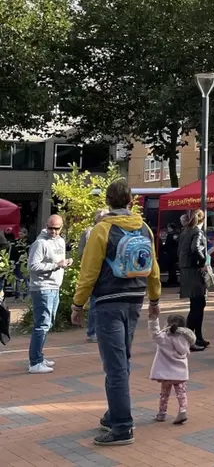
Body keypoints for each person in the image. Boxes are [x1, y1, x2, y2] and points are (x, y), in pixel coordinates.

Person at [71, 180, 161, 446]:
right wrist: (155, 299)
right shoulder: (144, 228)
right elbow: (153, 267)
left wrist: (78, 304)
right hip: (135, 299)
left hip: (109, 301)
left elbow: (88, 272)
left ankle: (122, 426)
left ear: (107, 202)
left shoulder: (102, 229)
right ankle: (114, 414)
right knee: (122, 360)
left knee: (115, 365)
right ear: (131, 202)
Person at [27, 214, 71, 374]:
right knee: (42, 325)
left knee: (48, 323)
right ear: (47, 225)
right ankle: (35, 362)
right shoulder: (40, 243)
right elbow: (33, 266)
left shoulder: (60, 241)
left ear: (61, 227)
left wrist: (65, 263)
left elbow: (59, 261)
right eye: (51, 228)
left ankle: (38, 356)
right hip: (42, 288)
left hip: (54, 286)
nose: (53, 232)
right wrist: (55, 265)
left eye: (57, 228)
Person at [148, 313, 195, 425]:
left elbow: (154, 333)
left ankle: (162, 413)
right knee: (181, 393)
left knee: (164, 393)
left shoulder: (164, 337)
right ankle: (182, 411)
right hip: (180, 373)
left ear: (168, 324)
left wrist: (153, 319)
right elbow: (185, 352)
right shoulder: (186, 338)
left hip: (166, 373)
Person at [178, 210, 210, 351]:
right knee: (198, 305)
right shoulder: (197, 232)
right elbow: (195, 248)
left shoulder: (185, 231)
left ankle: (198, 337)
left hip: (186, 270)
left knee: (196, 304)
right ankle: (189, 340)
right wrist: (202, 262)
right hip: (193, 270)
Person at [78, 208, 109, 343]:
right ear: (97, 219)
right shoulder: (89, 232)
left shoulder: (110, 230)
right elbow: (81, 254)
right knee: (94, 303)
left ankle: (101, 331)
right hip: (94, 272)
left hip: (108, 273)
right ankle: (92, 332)